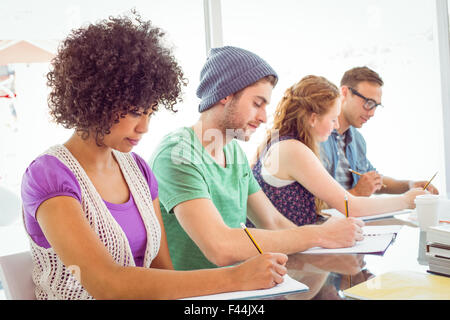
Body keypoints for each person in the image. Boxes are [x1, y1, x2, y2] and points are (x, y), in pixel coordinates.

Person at [20, 14, 288, 300]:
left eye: (150, 113)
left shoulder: (139, 171)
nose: (144, 127)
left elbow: (164, 274)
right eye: (136, 112)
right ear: (96, 101)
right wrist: (236, 277)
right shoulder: (49, 175)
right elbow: (106, 284)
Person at [150, 46, 364, 271]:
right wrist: (319, 234)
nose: (263, 118)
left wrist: (326, 248)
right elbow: (220, 248)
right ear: (225, 94)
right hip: (199, 299)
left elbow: (273, 222)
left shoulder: (233, 153)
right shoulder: (178, 154)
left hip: (240, 288)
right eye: (257, 103)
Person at [250, 75, 425, 226]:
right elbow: (351, 207)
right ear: (313, 118)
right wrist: (406, 201)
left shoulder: (282, 143)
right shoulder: (292, 149)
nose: (337, 125)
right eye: (333, 119)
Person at [320, 66, 438, 197]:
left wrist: (410, 185)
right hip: (330, 216)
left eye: (376, 106)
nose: (371, 113)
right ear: (345, 92)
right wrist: (357, 193)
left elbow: (375, 180)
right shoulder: (318, 135)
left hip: (354, 215)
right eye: (368, 103)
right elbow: (313, 203)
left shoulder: (357, 140)